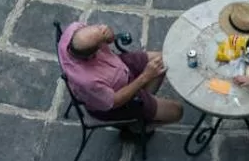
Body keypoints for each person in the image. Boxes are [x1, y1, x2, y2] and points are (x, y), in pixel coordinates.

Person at [56, 21, 184, 126]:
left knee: (163, 60)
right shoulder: (88, 81)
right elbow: (115, 101)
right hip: (118, 99)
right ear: (95, 52)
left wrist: (109, 34)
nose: (101, 27)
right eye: (101, 35)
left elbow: (109, 37)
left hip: (120, 66)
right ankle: (139, 129)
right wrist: (145, 76)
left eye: (98, 28)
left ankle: (146, 99)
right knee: (177, 112)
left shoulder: (76, 29)